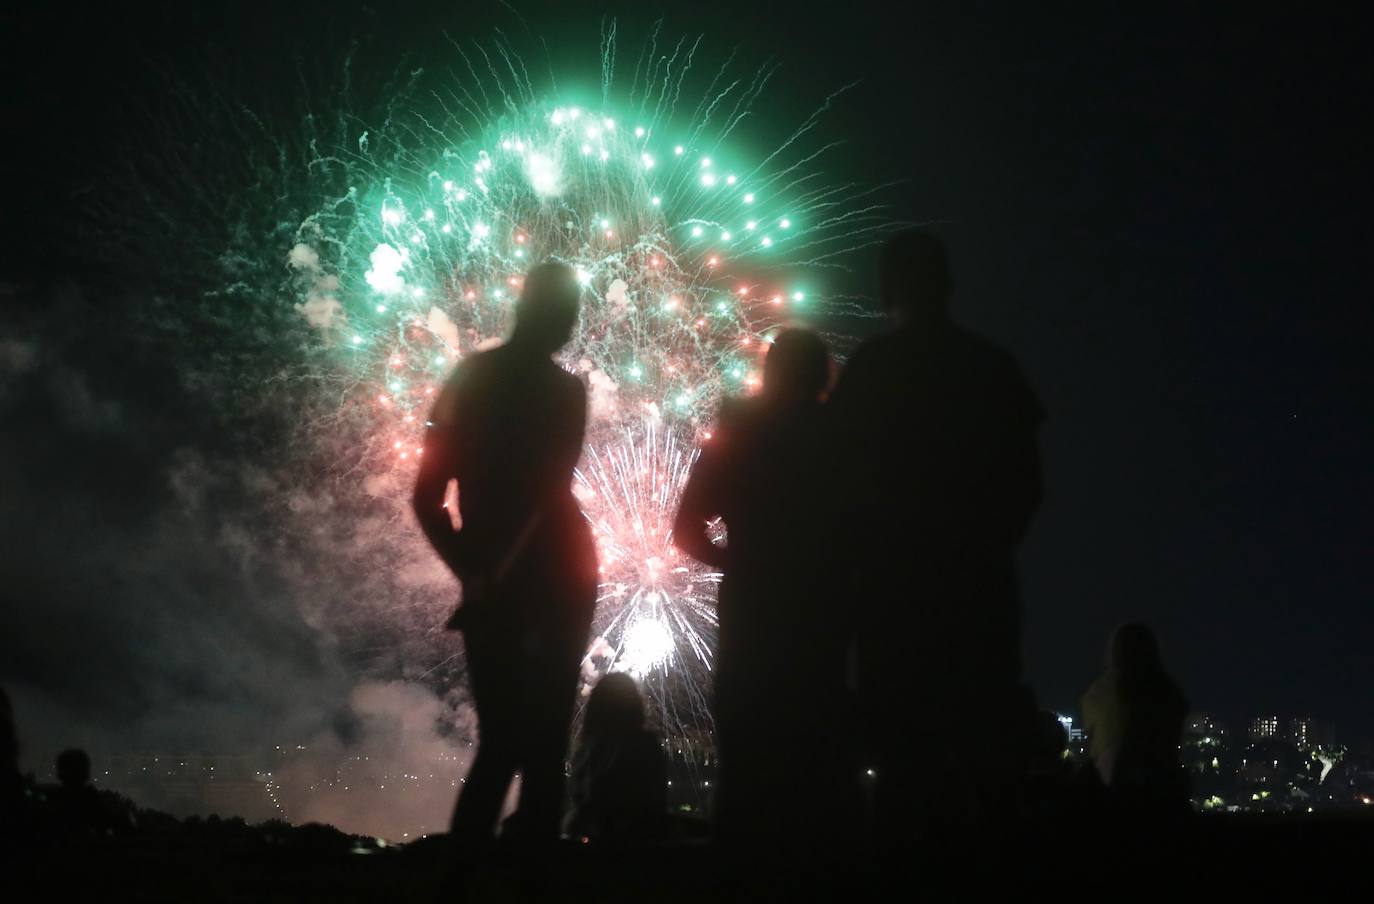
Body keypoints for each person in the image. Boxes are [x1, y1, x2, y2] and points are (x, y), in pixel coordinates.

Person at [826, 228, 1044, 845]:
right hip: (978, 592)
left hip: (894, 597)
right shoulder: (993, 369)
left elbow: (839, 486)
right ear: (948, 284)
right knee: (986, 760)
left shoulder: (872, 370)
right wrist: (984, 548)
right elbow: (1028, 486)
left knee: (900, 763)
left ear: (887, 287)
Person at [413, 261, 598, 847]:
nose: (571, 325)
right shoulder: (567, 392)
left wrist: (470, 569)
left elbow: (426, 499)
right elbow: (551, 488)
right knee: (544, 749)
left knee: (501, 744)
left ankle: (462, 880)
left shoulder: (470, 377)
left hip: (496, 578)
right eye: (568, 312)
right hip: (566, 572)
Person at [674, 329, 860, 857]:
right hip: (823, 609)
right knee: (819, 748)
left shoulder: (739, 432)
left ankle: (739, 869)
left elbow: (685, 527)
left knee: (745, 746)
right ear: (822, 372)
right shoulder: (842, 436)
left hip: (752, 607)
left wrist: (737, 562)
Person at [1080, 623, 1189, 815]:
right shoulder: (1170, 695)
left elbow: (1096, 749)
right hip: (1164, 798)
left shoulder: (1101, 694)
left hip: (1112, 799)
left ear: (1113, 653)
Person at [566, 673, 667, 843]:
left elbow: (580, 800)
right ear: (635, 704)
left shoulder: (586, 750)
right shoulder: (647, 745)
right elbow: (656, 801)